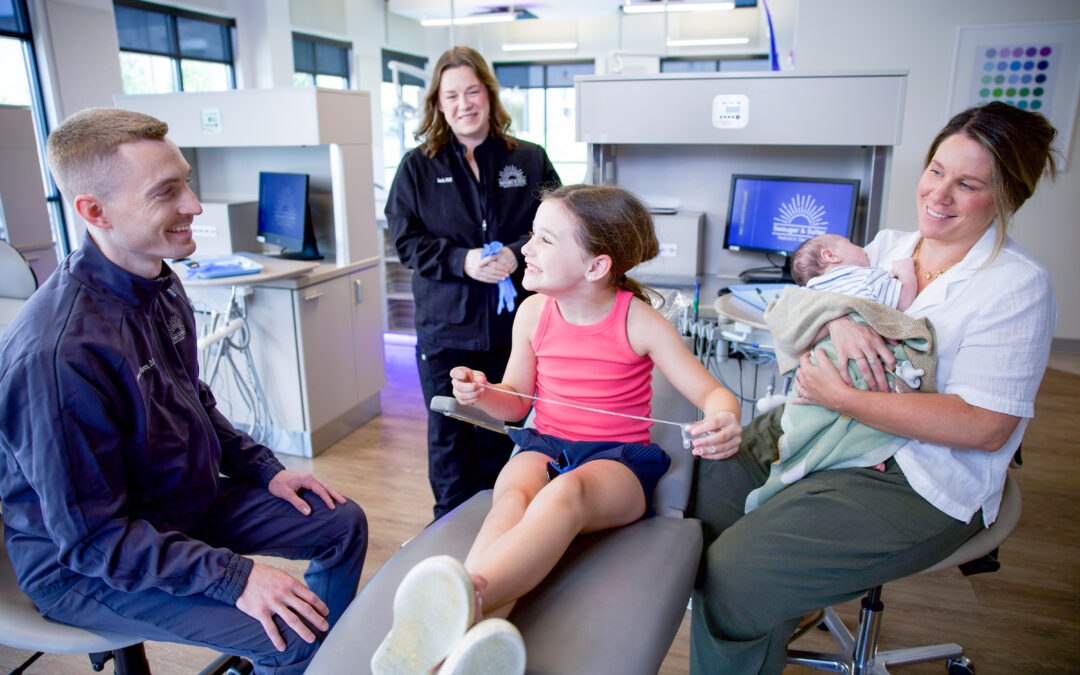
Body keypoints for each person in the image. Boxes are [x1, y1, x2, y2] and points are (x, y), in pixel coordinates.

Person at [689, 101, 1058, 673]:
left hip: (917, 474)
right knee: (701, 494)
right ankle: (775, 609)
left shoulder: (1016, 287)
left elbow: (987, 428)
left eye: (967, 184)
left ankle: (758, 598)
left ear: (1006, 196)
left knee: (737, 575)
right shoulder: (886, 247)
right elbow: (808, 302)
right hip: (823, 427)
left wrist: (848, 398)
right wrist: (835, 316)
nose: (939, 195)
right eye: (936, 170)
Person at [0, 108, 368, 674]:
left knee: (341, 523)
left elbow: (192, 400)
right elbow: (93, 540)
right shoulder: (59, 356)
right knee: (288, 637)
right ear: (94, 211)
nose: (194, 205)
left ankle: (320, 666)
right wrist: (235, 577)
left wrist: (264, 467)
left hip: (175, 505)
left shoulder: (161, 283)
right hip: (86, 564)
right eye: (167, 192)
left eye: (187, 181)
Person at [371, 184, 743, 674]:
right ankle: (465, 653)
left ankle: (465, 600)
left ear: (595, 266)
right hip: (544, 443)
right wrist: (484, 393)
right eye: (532, 235)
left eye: (545, 240)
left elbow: (715, 395)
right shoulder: (532, 314)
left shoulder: (640, 322)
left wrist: (725, 417)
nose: (525, 248)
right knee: (510, 499)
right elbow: (515, 404)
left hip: (616, 464)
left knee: (563, 496)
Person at [385, 46, 561, 520]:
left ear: (488, 93)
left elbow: (559, 226)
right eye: (452, 95)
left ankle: (506, 526)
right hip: (447, 333)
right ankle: (448, 530)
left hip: (516, 331)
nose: (464, 103)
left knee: (507, 431)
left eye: (472, 91)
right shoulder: (418, 167)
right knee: (450, 436)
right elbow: (406, 242)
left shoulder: (528, 159)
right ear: (439, 104)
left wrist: (516, 250)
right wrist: (462, 261)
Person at [791, 233, 918, 311]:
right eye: (850, 243)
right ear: (830, 255)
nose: (862, 248)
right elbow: (903, 302)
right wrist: (905, 272)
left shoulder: (809, 293)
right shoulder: (867, 277)